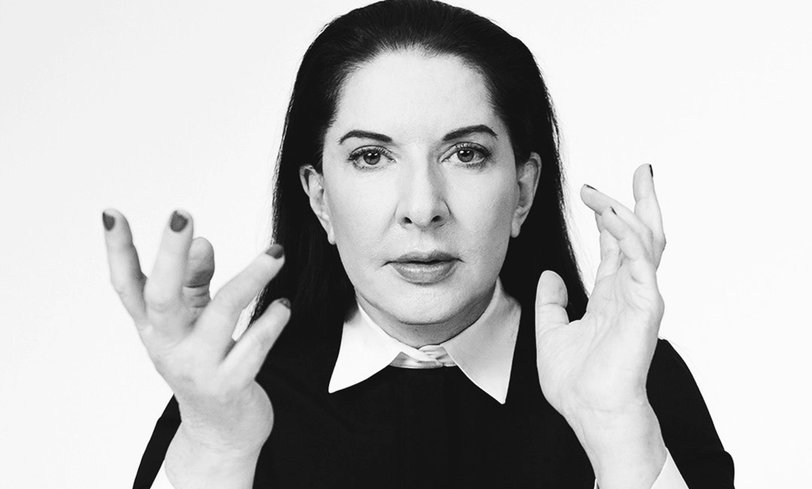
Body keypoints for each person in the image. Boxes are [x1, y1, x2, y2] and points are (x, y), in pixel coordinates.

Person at [102, 0, 734, 487]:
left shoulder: (630, 380)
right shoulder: (233, 399)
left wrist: (618, 431)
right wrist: (216, 448)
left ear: (522, 191)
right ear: (319, 198)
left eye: (466, 153)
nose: (423, 207)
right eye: (371, 157)